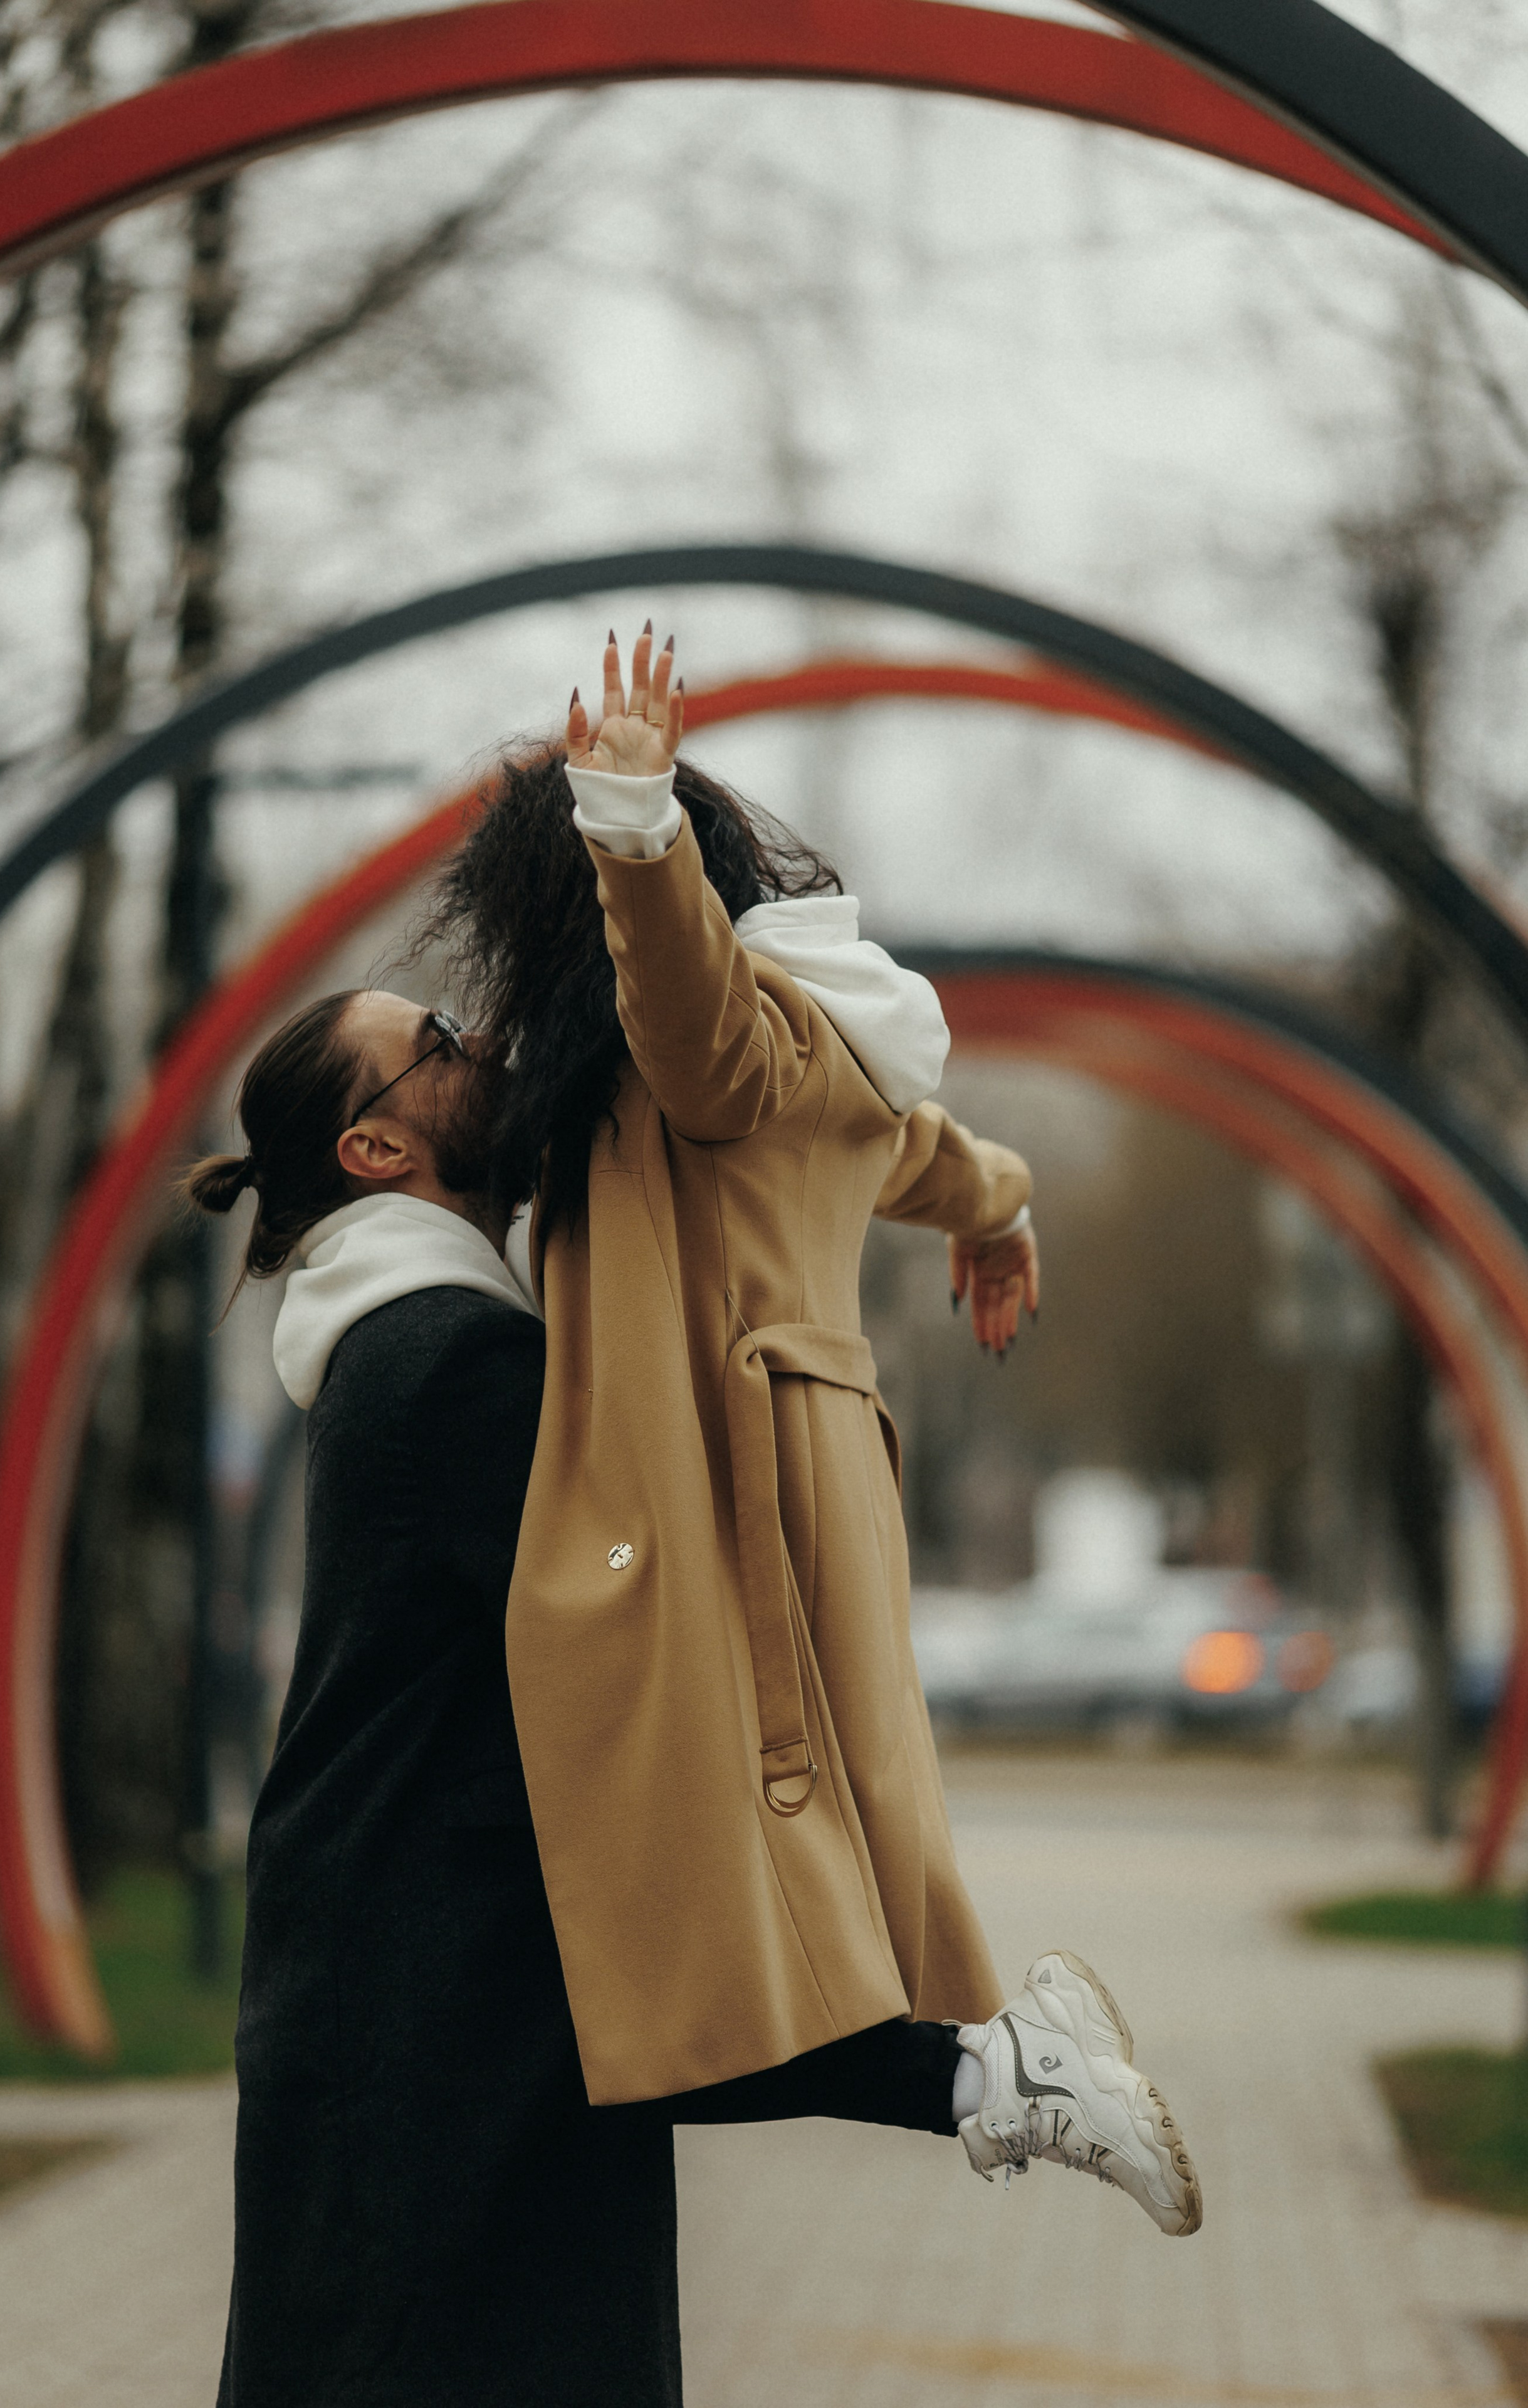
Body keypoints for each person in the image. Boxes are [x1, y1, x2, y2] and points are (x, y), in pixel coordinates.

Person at [192, 625, 1200, 2404]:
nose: (482, 1036)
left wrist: (985, 1192)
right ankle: (1006, 2076)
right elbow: (721, 1044)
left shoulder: (441, 1334)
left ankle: (1003, 2075)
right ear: (372, 1151)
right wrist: (635, 830)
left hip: (435, 1986)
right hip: (425, 2016)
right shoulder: (447, 1366)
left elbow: (835, 1111)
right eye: (430, 1042)